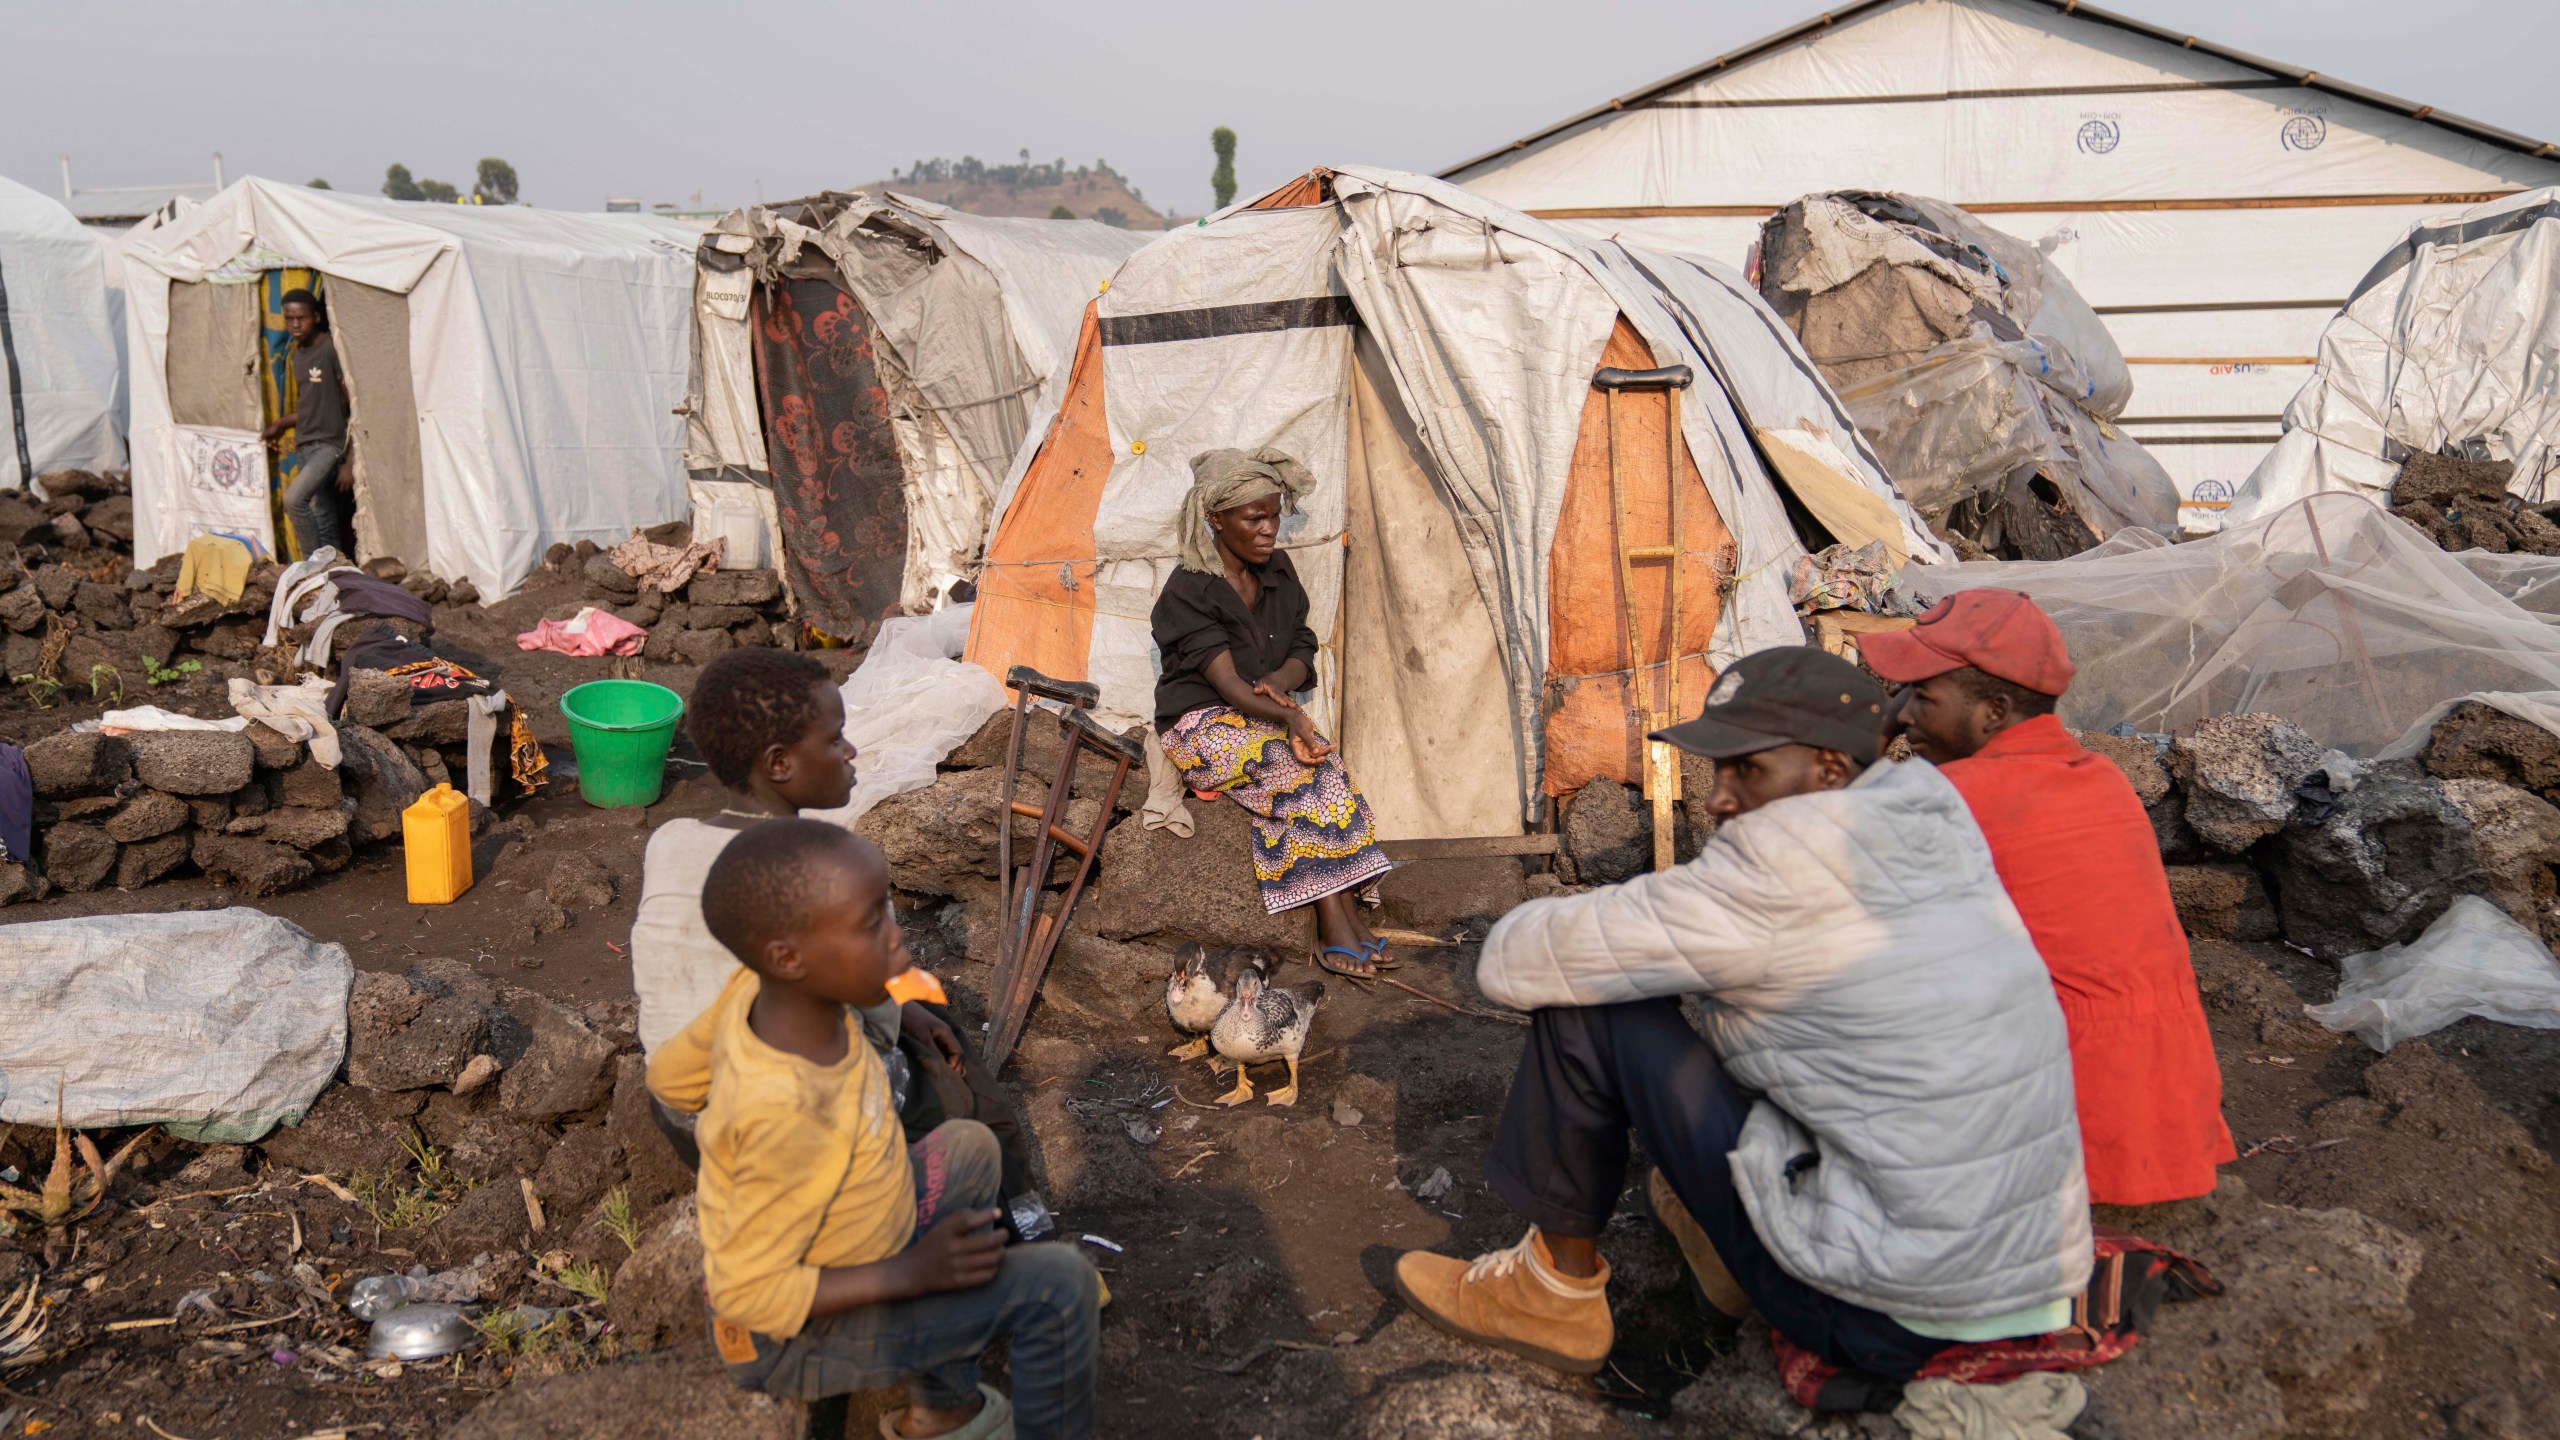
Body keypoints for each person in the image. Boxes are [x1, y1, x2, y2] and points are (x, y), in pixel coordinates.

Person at [1393, 647, 2091, 1383]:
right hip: (2028, 1278)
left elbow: (1512, 961)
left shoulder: (1781, 865)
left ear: (1828, 768)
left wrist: (1657, 916)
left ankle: (1551, 1293)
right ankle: (1714, 1246)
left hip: (1885, 1312)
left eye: (1746, 770)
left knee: (1591, 1004)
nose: (1719, 798)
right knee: (1749, 1012)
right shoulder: (1932, 821)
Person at [649, 820, 1100, 1440]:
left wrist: (898, 1009)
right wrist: (912, 1275)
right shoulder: (784, 1112)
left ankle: (940, 1409)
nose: (900, 945)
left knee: (968, 1147)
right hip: (790, 1337)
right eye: (873, 925)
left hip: (865, 1238)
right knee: (1062, 1287)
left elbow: (671, 1080)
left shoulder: (761, 989)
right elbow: (748, 1293)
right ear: (789, 958)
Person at [1863, 590, 2236, 1205]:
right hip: (2161, 1106)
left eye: (1920, 697)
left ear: (1994, 711)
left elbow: (1803, 866)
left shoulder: (1951, 797)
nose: (1901, 714)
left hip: (2064, 1121)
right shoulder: (2100, 777)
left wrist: (1864, 743)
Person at [630, 647, 1032, 1201]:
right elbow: (868, 1022)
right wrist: (904, 1013)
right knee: (964, 1078)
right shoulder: (833, 867)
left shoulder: (670, 841)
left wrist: (898, 1006)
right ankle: (1012, 1223)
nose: (852, 749)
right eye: (834, 738)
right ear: (778, 765)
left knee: (902, 1002)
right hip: (789, 1134)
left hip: (682, 1115)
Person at [1150, 447, 1394, 977]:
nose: (1269, 530)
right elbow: (1230, 685)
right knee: (1290, 770)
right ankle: (1333, 923)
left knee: (1328, 767)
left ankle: (1349, 913)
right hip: (1200, 724)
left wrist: (1280, 683)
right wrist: (1291, 717)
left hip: (1259, 714)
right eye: (1254, 518)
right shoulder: (1188, 589)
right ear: (1215, 520)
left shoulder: (1277, 571)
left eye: (1275, 515)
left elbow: (1302, 646)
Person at [260, 289, 354, 558]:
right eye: (289, 319)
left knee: (294, 500)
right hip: (304, 444)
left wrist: (350, 461)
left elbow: (354, 406)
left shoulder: (329, 350)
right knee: (323, 517)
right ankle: (337, 575)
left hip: (329, 446)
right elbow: (311, 406)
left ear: (316, 317)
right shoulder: (297, 356)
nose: (295, 325)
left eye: (302, 318)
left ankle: (311, 565)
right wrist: (280, 424)